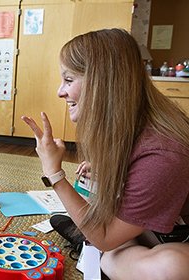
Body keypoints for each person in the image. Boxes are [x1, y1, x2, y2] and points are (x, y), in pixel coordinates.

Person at [22, 28, 189, 279]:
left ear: (103, 83)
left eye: (69, 80)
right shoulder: (132, 124)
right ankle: (92, 236)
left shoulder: (163, 153)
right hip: (152, 230)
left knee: (171, 268)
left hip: (170, 238)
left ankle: (97, 250)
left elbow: (106, 238)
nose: (60, 91)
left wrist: (53, 173)